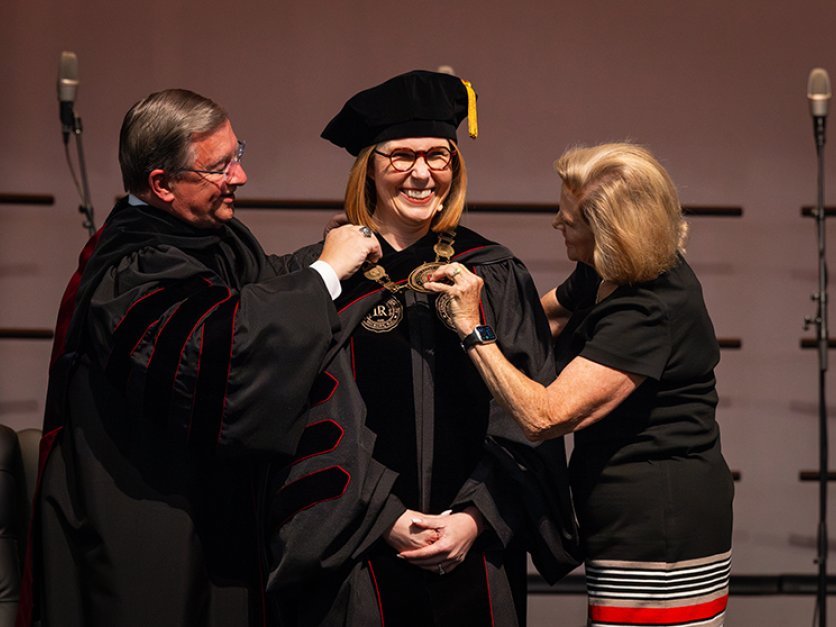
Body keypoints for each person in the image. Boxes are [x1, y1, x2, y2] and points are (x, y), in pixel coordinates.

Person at [16, 89, 381, 627]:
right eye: (220, 167)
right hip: (145, 520)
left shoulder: (208, 236)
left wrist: (327, 256)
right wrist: (322, 276)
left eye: (238, 154)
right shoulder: (131, 269)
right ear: (162, 184)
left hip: (206, 511)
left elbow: (249, 290)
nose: (240, 177)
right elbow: (220, 353)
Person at [265, 70, 577, 626]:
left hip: (475, 550)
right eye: (401, 156)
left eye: (438, 156)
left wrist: (476, 518)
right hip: (357, 547)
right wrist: (382, 514)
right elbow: (299, 418)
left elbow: (528, 408)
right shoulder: (320, 277)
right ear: (369, 166)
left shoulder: (494, 272)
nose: (421, 173)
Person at [427, 142, 734, 627]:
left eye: (570, 220)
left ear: (612, 233)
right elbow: (539, 321)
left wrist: (472, 330)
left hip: (659, 525)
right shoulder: (606, 271)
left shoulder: (646, 308)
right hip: (624, 515)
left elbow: (544, 417)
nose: (556, 223)